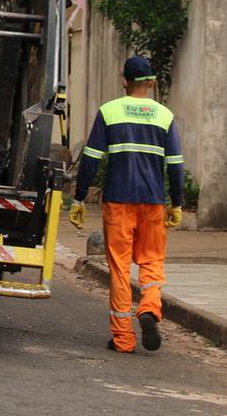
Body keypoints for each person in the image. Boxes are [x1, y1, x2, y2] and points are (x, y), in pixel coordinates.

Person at [69, 55, 184, 354]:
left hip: (118, 200)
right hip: (153, 201)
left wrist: (79, 197)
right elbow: (175, 165)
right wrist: (178, 203)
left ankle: (123, 338)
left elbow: (92, 158)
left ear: (124, 80)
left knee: (119, 268)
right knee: (151, 260)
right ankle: (149, 307)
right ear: (150, 82)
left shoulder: (109, 111)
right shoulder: (164, 115)